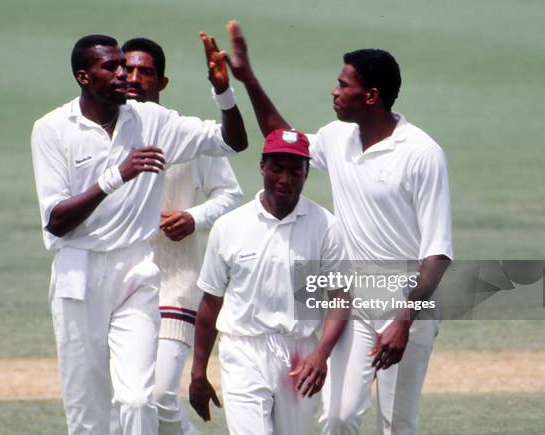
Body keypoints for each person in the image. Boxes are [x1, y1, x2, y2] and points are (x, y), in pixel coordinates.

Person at [222, 20, 452, 435]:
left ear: (371, 96)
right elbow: (283, 140)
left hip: (406, 304)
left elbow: (437, 254)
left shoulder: (422, 153)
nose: (334, 90)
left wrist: (403, 321)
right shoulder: (337, 137)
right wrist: (249, 80)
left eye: (343, 84)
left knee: (397, 424)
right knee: (338, 416)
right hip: (355, 299)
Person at [30, 33, 247, 435]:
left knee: (138, 398)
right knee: (89, 412)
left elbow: (233, 143)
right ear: (83, 76)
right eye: (111, 67)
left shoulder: (153, 120)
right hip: (79, 272)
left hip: (137, 270)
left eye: (126, 66)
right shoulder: (52, 128)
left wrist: (223, 92)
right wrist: (117, 176)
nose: (123, 74)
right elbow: (56, 220)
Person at [189, 129, 350, 435]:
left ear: (306, 174)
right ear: (262, 167)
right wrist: (198, 372)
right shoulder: (229, 227)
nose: (285, 180)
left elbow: (340, 297)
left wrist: (321, 354)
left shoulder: (326, 227)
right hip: (243, 350)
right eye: (277, 169)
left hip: (300, 353)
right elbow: (210, 303)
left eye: (295, 171)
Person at [121, 37, 243, 435]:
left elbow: (230, 194)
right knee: (128, 401)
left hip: (174, 285)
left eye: (147, 72)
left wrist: (193, 216)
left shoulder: (183, 134)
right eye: (129, 70)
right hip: (120, 286)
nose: (136, 78)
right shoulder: (103, 132)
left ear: (163, 81)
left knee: (159, 397)